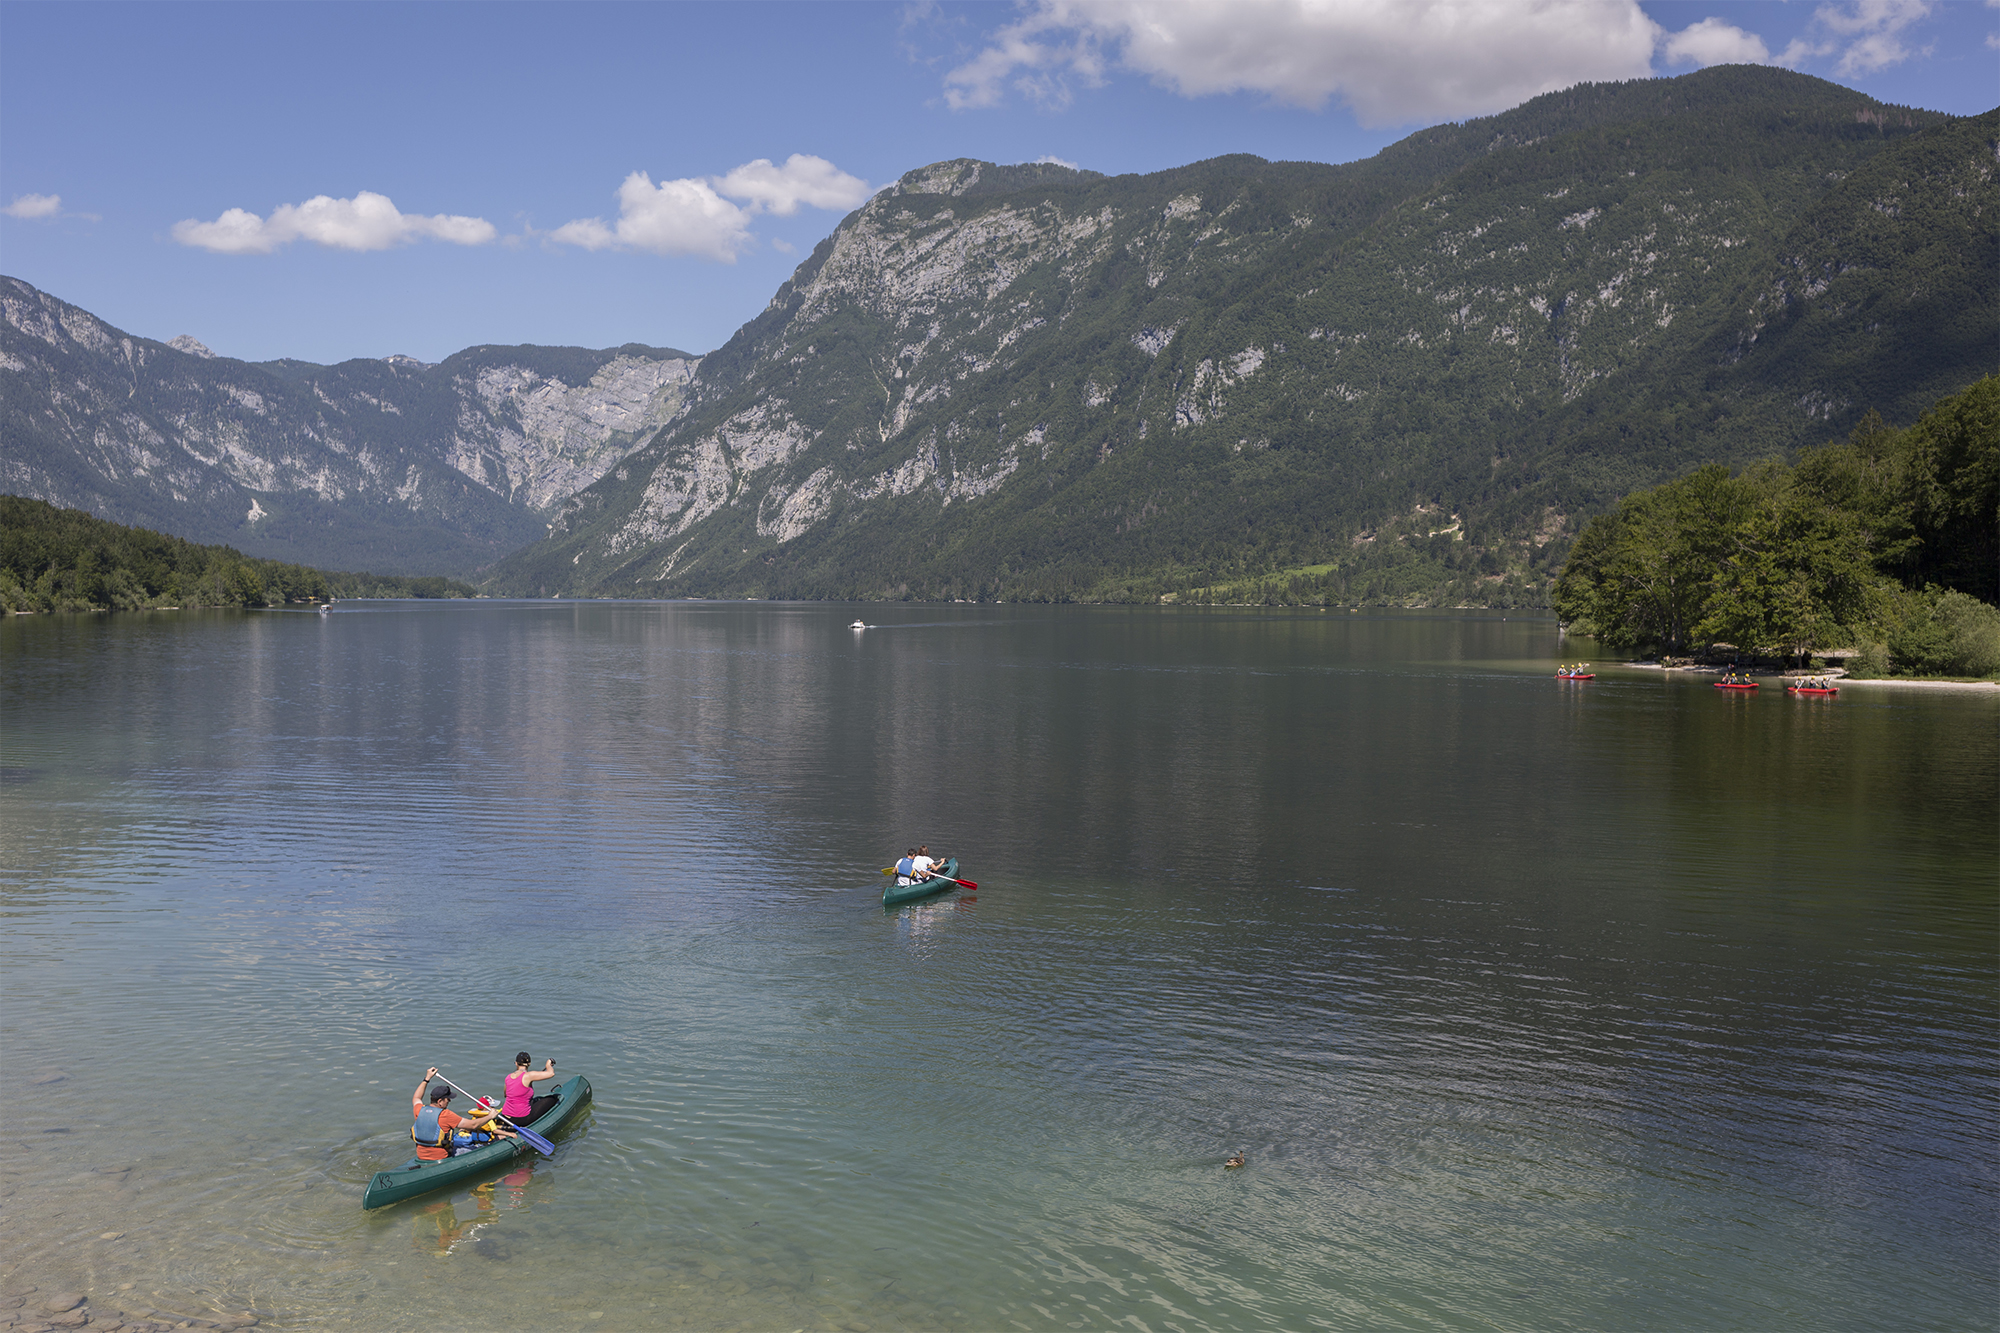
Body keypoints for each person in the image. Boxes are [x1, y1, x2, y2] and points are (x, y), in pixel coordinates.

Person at [411, 1067, 509, 1161]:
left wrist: (426, 1079)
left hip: (421, 1156)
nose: (449, 1101)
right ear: (440, 1101)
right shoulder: (445, 1115)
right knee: (477, 1149)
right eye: (448, 1099)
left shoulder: (419, 1110)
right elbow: (473, 1125)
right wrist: (490, 1116)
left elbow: (416, 1097)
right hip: (442, 1157)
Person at [503, 1052, 560, 1125]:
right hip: (521, 1118)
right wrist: (548, 1064)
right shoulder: (528, 1075)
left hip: (506, 1117)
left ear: (516, 1063)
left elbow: (506, 1095)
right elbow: (551, 1073)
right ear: (529, 1064)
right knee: (552, 1099)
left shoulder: (508, 1077)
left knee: (532, 1101)